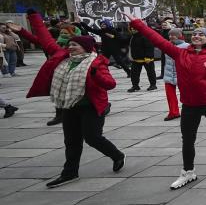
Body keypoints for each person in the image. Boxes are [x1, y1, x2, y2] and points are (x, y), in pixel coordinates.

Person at [129, 18, 206, 189]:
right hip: (189, 104)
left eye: (201, 34)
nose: (197, 36)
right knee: (188, 139)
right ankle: (188, 172)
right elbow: (158, 40)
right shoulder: (180, 53)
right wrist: (139, 24)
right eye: (194, 34)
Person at [12, 11, 124, 188]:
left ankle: (117, 155)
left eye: (75, 46)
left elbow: (110, 84)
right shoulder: (63, 58)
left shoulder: (96, 63)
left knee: (92, 138)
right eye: (70, 45)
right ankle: (70, 173)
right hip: (69, 106)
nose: (70, 47)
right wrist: (27, 26)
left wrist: (96, 75)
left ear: (86, 48)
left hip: (91, 106)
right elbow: (44, 41)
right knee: (71, 141)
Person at [161, 28, 189, 121]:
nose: (171, 36)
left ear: (179, 35)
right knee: (170, 95)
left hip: (182, 74)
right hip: (169, 74)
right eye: (170, 35)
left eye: (174, 35)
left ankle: (192, 111)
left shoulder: (187, 46)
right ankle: (173, 112)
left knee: (186, 95)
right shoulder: (167, 45)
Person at [127, 24, 158, 92]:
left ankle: (153, 85)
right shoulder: (132, 37)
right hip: (136, 59)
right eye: (131, 29)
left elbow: (149, 47)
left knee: (150, 72)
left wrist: (148, 57)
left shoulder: (145, 36)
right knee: (134, 74)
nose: (133, 30)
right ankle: (135, 86)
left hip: (147, 59)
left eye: (134, 29)